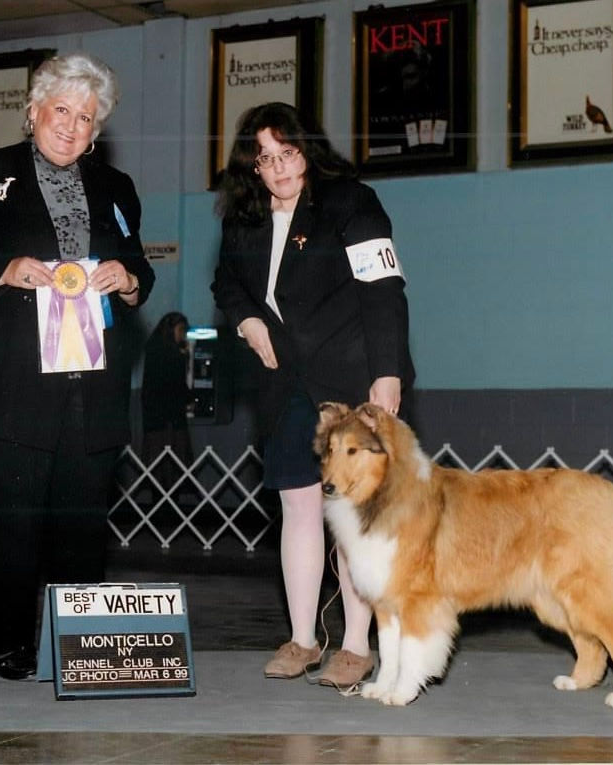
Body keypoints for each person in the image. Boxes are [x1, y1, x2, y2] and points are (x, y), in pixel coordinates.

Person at [0, 52, 154, 681]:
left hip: (89, 388)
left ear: (97, 131)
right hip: (4, 389)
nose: (72, 127)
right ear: (34, 111)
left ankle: (85, 650)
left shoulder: (116, 188)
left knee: (82, 523)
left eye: (86, 118)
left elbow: (139, 266)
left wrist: (128, 278)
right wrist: (3, 269)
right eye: (62, 111)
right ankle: (5, 643)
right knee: (6, 528)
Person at [211, 102, 414, 688]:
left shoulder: (350, 202)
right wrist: (247, 320)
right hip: (283, 383)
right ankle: (302, 638)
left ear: (309, 150)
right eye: (264, 160)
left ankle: (355, 644)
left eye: (288, 154)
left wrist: (388, 372)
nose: (277, 170)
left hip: (351, 378)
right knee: (297, 508)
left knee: (352, 518)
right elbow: (226, 282)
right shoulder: (243, 217)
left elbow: (383, 290)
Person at [141, 312, 194, 485]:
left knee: (158, 465)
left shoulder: (154, 347)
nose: (182, 335)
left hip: (155, 418)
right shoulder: (171, 353)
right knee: (172, 463)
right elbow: (177, 383)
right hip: (169, 418)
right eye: (181, 330)